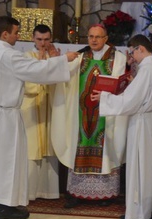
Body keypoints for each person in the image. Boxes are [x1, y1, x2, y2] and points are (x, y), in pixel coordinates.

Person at [0, 16, 77, 219]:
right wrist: (63, 60)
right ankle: (5, 206)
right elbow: (36, 70)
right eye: (16, 33)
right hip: (5, 115)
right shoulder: (8, 55)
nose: (18, 37)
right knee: (7, 160)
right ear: (5, 34)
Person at [92, 34, 152, 219]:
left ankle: (139, 213)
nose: (132, 56)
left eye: (133, 52)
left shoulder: (147, 68)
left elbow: (131, 101)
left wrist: (104, 97)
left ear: (141, 48)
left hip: (142, 121)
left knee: (140, 165)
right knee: (150, 165)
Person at [51, 23, 128, 207]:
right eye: (91, 36)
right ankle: (77, 193)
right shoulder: (81, 56)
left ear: (106, 38)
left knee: (107, 148)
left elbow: (120, 82)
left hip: (106, 115)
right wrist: (58, 61)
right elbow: (66, 75)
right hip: (82, 113)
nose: (93, 40)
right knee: (78, 143)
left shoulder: (118, 58)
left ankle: (105, 194)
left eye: (98, 37)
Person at [21, 24, 60, 201]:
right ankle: (30, 192)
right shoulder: (26, 58)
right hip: (32, 108)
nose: (43, 43)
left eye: (46, 40)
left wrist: (55, 63)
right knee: (33, 149)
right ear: (32, 39)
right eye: (39, 39)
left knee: (49, 148)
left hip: (48, 108)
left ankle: (48, 191)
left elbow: (61, 83)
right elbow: (28, 84)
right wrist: (43, 65)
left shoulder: (55, 56)